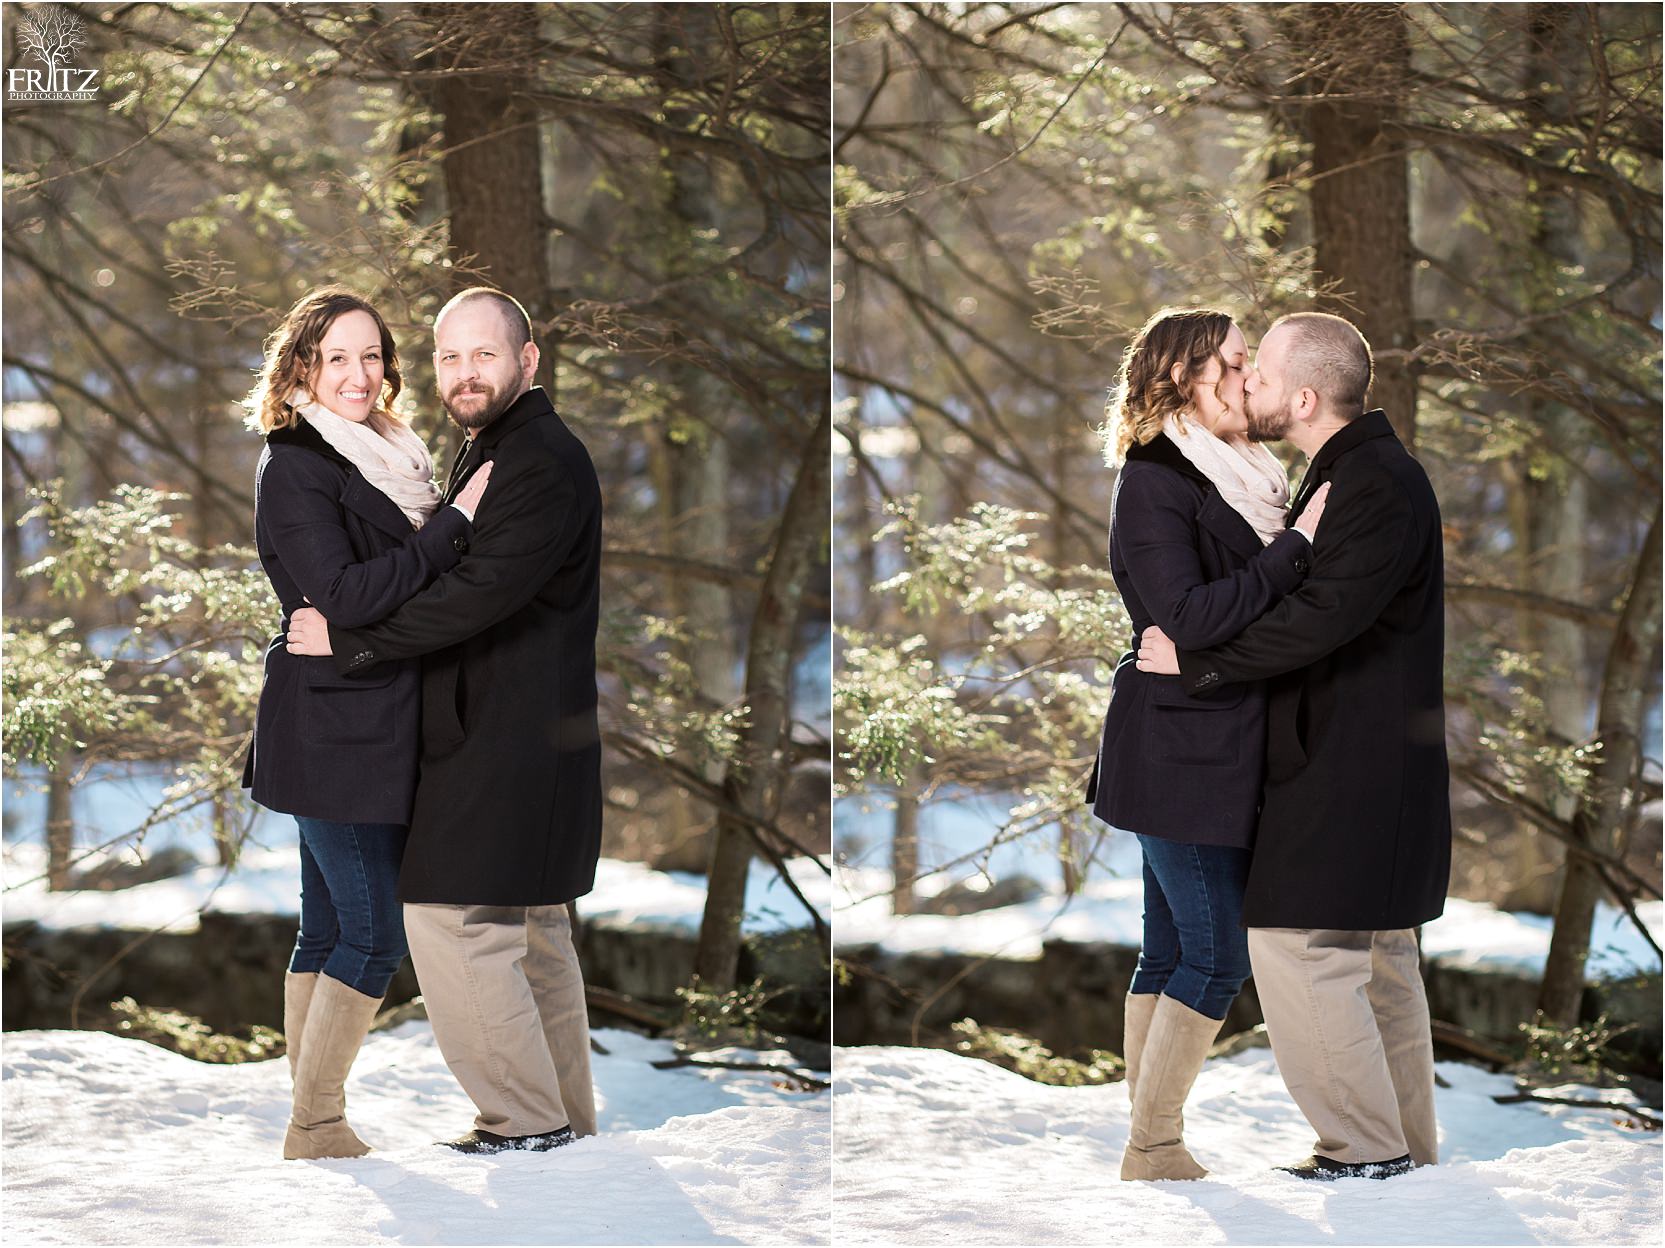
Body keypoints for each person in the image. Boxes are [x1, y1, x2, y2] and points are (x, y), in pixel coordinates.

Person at [286, 286, 603, 1155]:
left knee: (451, 920)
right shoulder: (486, 449)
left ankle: (524, 1121)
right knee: (533, 933)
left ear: (527, 360)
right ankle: (566, 1119)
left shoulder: (531, 458)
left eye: (485, 355)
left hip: (501, 735)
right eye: (450, 357)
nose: (465, 373)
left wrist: (349, 642)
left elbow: (472, 597)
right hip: (523, 734)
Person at [1138, 311, 1451, 1182]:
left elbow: (1320, 619)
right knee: (1379, 963)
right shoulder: (1354, 474)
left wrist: (1198, 662)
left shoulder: (1371, 483)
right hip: (1369, 763)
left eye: (1262, 377)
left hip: (1348, 765)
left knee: (1300, 948)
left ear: (1304, 396)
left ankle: (1361, 1152)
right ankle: (1404, 1156)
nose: (1248, 387)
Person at [243, 285, 493, 1160]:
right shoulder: (297, 464)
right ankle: (314, 1123)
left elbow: (355, 605)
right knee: (376, 932)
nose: (359, 374)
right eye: (337, 357)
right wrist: (454, 525)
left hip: (373, 715)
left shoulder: (389, 452)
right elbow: (345, 593)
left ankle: (314, 1118)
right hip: (332, 732)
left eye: (372, 355)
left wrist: (365, 614)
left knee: (328, 927)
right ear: (303, 365)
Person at [1086, 307, 1330, 1181]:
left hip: (1219, 740)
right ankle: (1151, 1145)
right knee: (1218, 954)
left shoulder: (1246, 474)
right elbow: (1184, 615)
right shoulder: (1155, 480)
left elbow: (1202, 626)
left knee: (1172, 950)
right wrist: (1295, 549)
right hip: (1178, 752)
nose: (1245, 378)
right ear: (1183, 376)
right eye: (1230, 363)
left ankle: (1151, 1140)